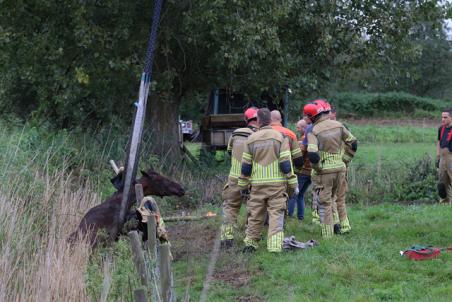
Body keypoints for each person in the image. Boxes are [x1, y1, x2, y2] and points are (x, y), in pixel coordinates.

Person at [239, 108, 298, 253]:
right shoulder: (279, 137)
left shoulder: (251, 139)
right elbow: (285, 163)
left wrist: (243, 185)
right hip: (276, 185)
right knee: (276, 215)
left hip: (257, 185)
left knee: (255, 215)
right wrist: (292, 182)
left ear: (258, 120)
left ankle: (250, 245)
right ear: (271, 120)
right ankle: (274, 247)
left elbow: (246, 167)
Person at [304, 102, 357, 238]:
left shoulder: (313, 131)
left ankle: (328, 235)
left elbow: (313, 155)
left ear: (311, 117)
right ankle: (345, 227)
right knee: (339, 199)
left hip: (325, 172)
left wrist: (318, 168)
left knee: (325, 202)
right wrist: (344, 160)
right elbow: (353, 143)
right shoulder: (339, 125)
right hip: (340, 168)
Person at [220, 107, 258, 248]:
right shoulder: (259, 135)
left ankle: (226, 238)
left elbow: (229, 152)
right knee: (253, 209)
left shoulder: (236, 133)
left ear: (246, 119)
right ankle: (250, 238)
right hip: (252, 179)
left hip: (234, 177)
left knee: (230, 207)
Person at [288, 119, 311, 220]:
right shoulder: (313, 138)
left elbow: (299, 155)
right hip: (310, 172)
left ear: (304, 128)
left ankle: (289, 215)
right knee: (301, 195)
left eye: (298, 127)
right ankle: (300, 217)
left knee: (293, 194)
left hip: (302, 172)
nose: (297, 129)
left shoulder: (303, 140)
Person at [437, 108, 452, 203]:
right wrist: (437, 157)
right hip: (442, 158)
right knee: (442, 183)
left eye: (445, 117)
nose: (443, 119)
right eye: (442, 117)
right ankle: (444, 202)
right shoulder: (441, 128)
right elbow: (438, 142)